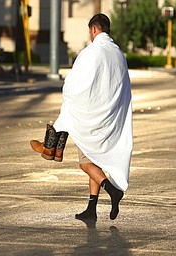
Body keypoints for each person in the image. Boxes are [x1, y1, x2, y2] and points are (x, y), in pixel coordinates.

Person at [30, 13, 133, 221]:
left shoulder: (92, 52)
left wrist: (70, 99)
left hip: (91, 120)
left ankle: (113, 191)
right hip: (110, 118)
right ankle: (91, 209)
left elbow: (75, 83)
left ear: (94, 30)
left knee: (86, 164)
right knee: (95, 161)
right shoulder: (118, 53)